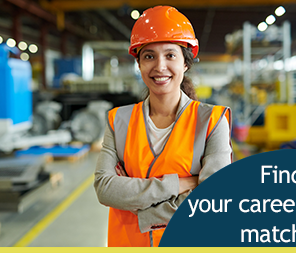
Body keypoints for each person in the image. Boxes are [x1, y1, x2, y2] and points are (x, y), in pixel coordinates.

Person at [94, 5, 232, 247]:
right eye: (149, 56)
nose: (159, 66)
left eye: (170, 55)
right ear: (138, 63)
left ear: (185, 63)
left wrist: (143, 212)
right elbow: (105, 189)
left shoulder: (212, 121)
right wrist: (181, 184)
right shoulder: (118, 121)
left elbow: (212, 201)